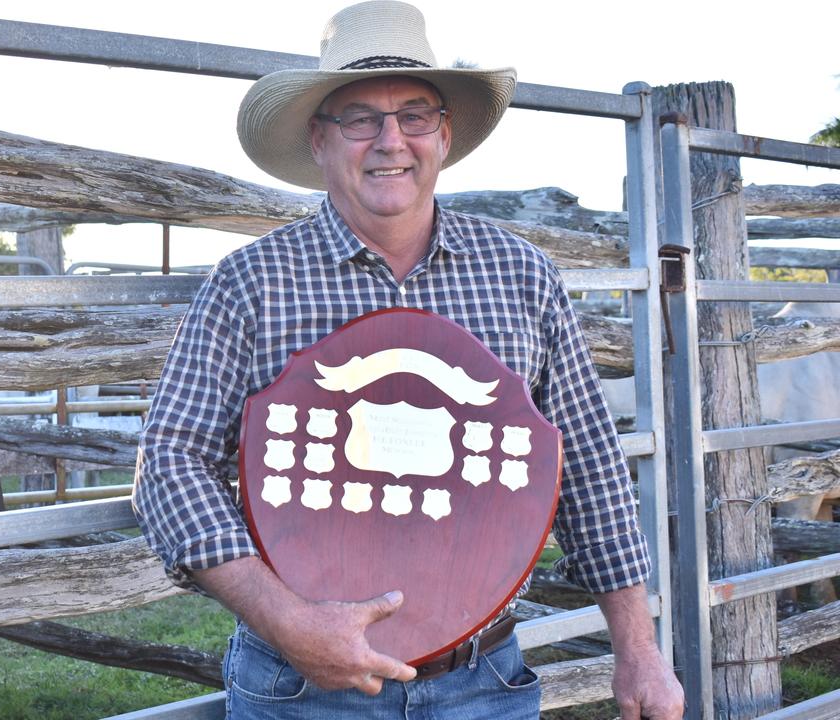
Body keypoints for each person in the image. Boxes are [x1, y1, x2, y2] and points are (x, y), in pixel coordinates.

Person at [132, 2, 685, 718]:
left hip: (482, 679)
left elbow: (585, 461)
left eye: (415, 116)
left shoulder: (519, 275)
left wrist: (638, 649)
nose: (391, 141)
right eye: (360, 118)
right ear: (320, 141)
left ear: (444, 136)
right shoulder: (253, 283)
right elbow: (170, 460)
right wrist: (285, 620)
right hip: (303, 689)